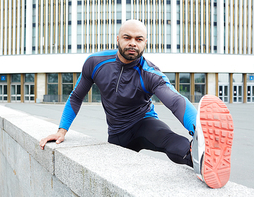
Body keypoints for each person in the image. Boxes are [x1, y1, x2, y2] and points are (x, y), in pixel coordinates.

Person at [39, 20, 234, 189]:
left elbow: (175, 101)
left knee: (167, 139)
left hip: (144, 123)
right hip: (116, 133)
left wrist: (198, 129)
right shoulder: (96, 63)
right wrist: (61, 130)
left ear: (145, 43)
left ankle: (202, 158)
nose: (133, 43)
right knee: (112, 178)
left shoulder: (150, 73)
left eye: (139, 39)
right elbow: (76, 97)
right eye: (127, 37)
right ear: (118, 39)